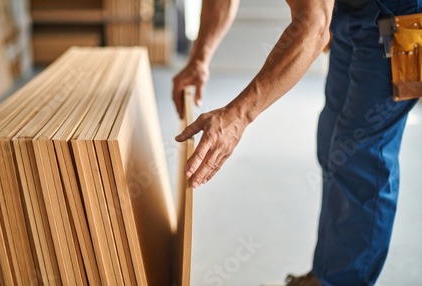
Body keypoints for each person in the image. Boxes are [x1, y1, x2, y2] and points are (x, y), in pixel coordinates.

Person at [173, 0, 421, 285]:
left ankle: (343, 281)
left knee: (360, 155)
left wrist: (238, 115)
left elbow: (313, 27)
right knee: (333, 145)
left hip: (399, 14)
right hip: (348, 12)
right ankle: (328, 275)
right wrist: (199, 59)